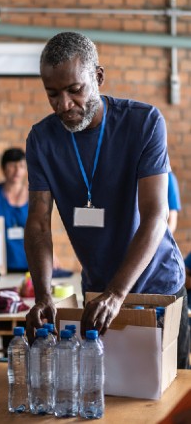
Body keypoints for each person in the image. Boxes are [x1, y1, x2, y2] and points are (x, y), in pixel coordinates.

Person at [24, 31, 189, 369]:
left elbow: (156, 215)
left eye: (75, 90)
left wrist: (117, 294)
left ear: (98, 77)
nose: (64, 105)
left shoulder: (143, 123)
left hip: (157, 287)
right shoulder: (42, 139)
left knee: (170, 397)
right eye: (52, 94)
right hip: (98, 290)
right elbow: (39, 222)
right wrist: (43, 294)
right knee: (109, 396)